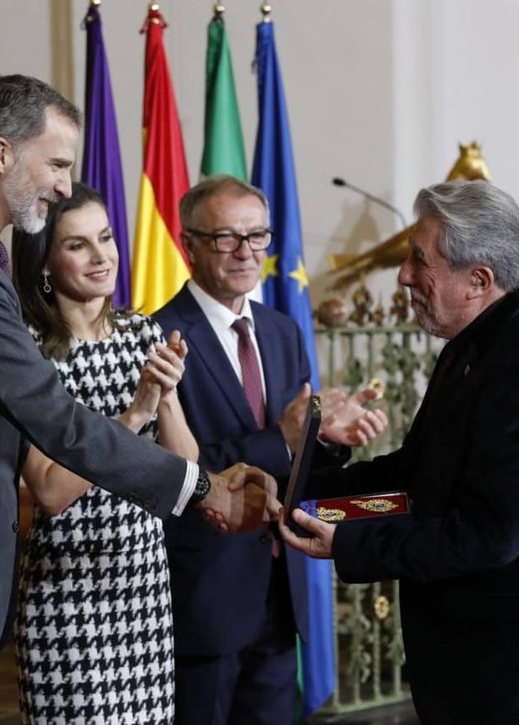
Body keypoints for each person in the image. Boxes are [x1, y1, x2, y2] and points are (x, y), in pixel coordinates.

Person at [0, 74, 280, 725]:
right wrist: (203, 488)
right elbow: (54, 417)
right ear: (1, 153)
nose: (65, 185)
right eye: (57, 164)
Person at [281, 180, 519, 724]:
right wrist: (302, 493)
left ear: (478, 280)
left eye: (419, 259)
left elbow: (487, 536)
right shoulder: (477, 343)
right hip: (476, 656)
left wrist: (350, 543)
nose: (403, 275)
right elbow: (415, 473)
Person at [154, 174, 388, 724]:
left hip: (281, 591)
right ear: (189, 244)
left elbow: (296, 461)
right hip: (204, 597)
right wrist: (280, 437)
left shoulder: (283, 331)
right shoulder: (159, 335)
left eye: (257, 235)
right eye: (226, 237)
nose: (246, 251)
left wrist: (326, 440)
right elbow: (169, 469)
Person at [10, 182, 197, 723]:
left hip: (141, 582)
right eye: (78, 245)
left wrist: (165, 399)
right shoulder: (26, 351)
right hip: (68, 592)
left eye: (106, 237)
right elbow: (50, 492)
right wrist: (134, 415)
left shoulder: (143, 333)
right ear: (46, 263)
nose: (101, 256)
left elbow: (184, 470)